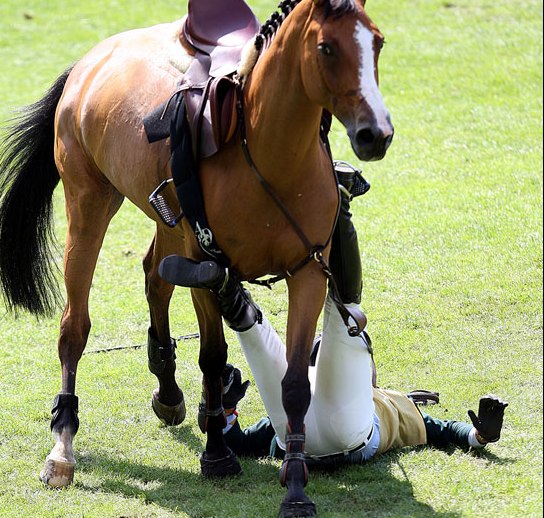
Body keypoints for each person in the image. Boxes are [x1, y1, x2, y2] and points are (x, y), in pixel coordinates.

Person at [159, 161, 508, 467]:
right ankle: (226, 287)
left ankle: (231, 287)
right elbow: (446, 433)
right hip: (322, 434)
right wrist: (480, 436)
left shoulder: (387, 398)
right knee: (323, 328)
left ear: (371, 376)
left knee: (332, 323)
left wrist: (229, 410)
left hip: (307, 434)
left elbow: (238, 444)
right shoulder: (392, 402)